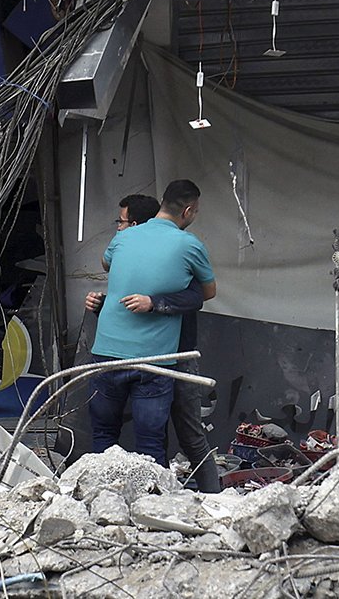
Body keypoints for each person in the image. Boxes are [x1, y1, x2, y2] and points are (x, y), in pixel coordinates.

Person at [87, 195, 221, 491]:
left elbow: (200, 295)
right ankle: (128, 500)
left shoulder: (180, 249)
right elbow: (124, 294)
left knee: (185, 437)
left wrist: (155, 302)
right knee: (146, 440)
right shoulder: (136, 247)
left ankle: (211, 499)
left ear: (135, 224)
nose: (119, 229)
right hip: (144, 360)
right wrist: (102, 305)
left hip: (170, 358)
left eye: (121, 223)